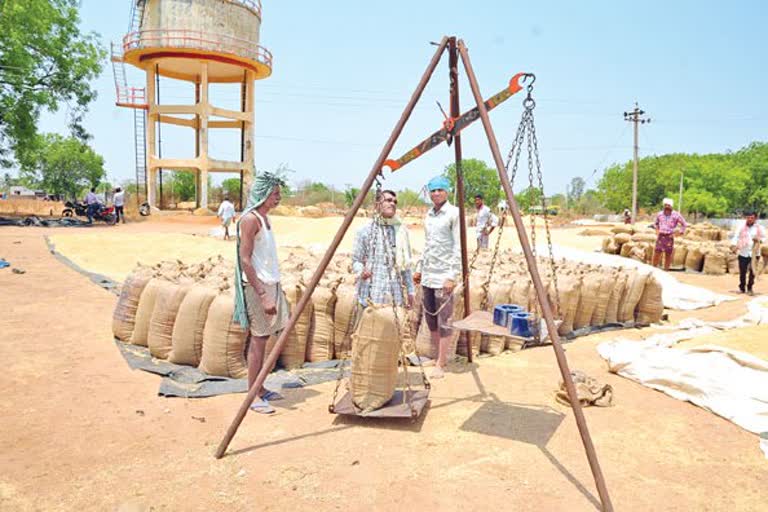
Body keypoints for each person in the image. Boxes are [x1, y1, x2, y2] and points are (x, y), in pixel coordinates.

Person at [233, 171, 290, 414]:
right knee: (259, 339)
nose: (278, 198)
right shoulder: (250, 220)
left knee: (270, 336)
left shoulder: (265, 220)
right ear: (263, 194)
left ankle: (261, 386)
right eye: (274, 194)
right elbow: (245, 260)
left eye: (279, 193)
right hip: (257, 287)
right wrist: (263, 294)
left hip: (271, 284)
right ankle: (253, 394)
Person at [413, 175, 461, 379]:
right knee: (431, 318)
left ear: (447, 191)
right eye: (433, 190)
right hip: (429, 275)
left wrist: (451, 276)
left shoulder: (454, 213)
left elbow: (458, 246)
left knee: (444, 320)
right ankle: (435, 355)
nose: (436, 193)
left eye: (440, 190)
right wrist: (419, 268)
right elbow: (428, 245)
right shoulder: (429, 215)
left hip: (443, 275)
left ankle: (442, 362)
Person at [351, 189, 415, 308]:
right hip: (370, 294)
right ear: (377, 205)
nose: (393, 204)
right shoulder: (364, 230)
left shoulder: (401, 232)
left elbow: (406, 266)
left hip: (394, 296)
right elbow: (356, 260)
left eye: (395, 202)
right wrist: (361, 271)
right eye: (389, 200)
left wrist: (411, 291)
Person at [731, 211, 766, 295]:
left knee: (752, 272)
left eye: (752, 218)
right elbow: (736, 236)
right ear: (746, 218)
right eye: (748, 217)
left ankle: (750, 288)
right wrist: (733, 245)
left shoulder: (759, 228)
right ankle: (742, 287)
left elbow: (764, 237)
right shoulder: (741, 227)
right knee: (742, 271)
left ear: (755, 218)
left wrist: (759, 240)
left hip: (755, 253)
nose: (750, 219)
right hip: (743, 252)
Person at [652, 198, 687, 271]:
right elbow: (656, 223)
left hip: (669, 236)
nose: (667, 207)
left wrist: (679, 233)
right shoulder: (660, 214)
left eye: (669, 205)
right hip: (661, 236)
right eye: (665, 205)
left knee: (668, 254)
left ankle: (666, 270)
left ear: (671, 206)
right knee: (657, 252)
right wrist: (657, 231)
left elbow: (684, 224)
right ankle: (653, 269)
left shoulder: (676, 215)